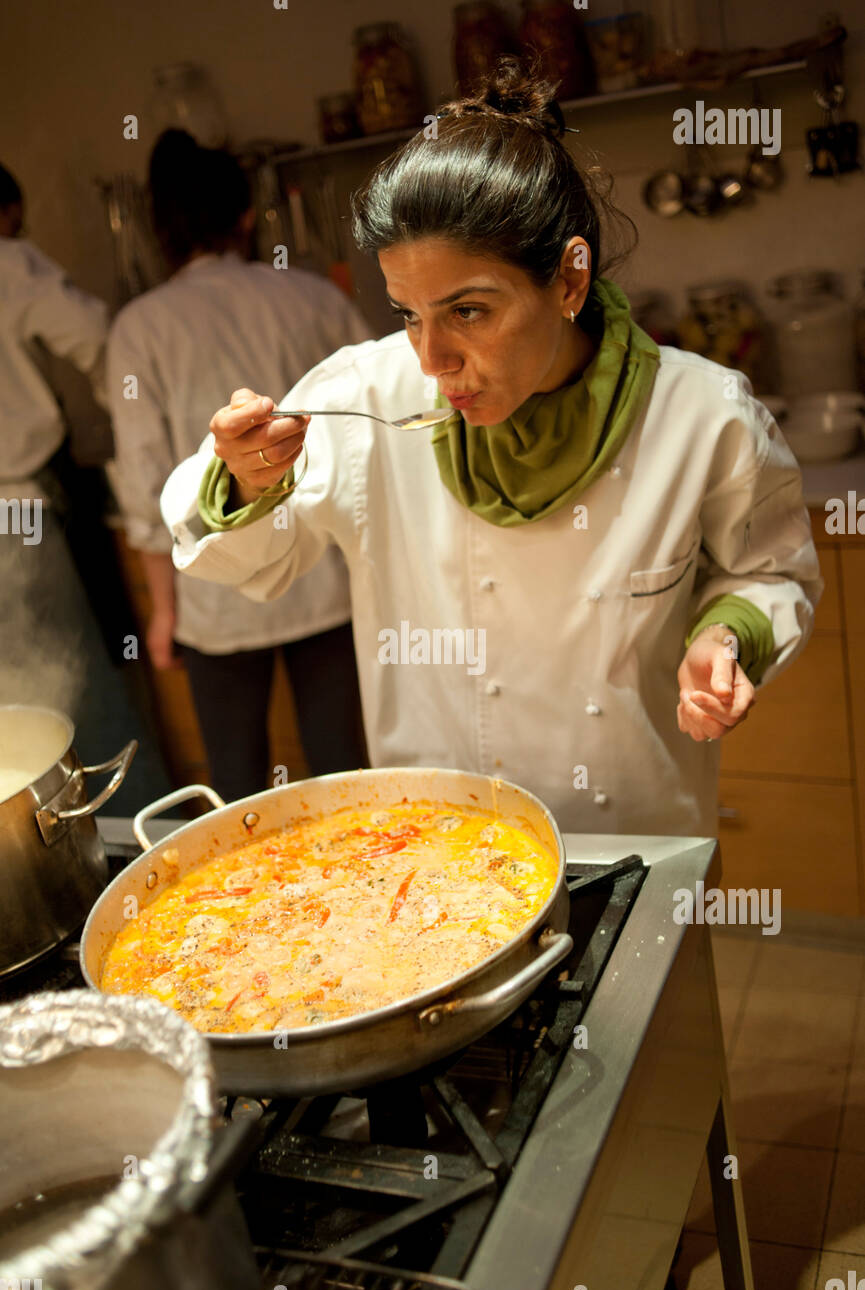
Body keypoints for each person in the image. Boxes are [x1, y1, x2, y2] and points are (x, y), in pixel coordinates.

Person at [159, 59, 823, 837]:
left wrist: (725, 634)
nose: (430, 360)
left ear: (569, 280)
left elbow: (767, 570)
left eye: (468, 311)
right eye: (408, 313)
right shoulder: (366, 397)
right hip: (435, 849)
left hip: (632, 847)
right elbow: (247, 563)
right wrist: (243, 479)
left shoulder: (701, 415)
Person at [107, 130, 369, 802]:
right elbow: (373, 421)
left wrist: (162, 611)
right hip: (327, 581)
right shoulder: (312, 296)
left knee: (235, 788)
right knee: (347, 776)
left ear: (161, 230)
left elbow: (142, 483)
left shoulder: (140, 325)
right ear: (246, 219)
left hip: (213, 596)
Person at [0, 161, 171, 814]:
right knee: (76, 697)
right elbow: (103, 339)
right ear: (8, 214)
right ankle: (141, 848)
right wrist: (134, 428)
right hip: (13, 514)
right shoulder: (10, 262)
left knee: (14, 710)